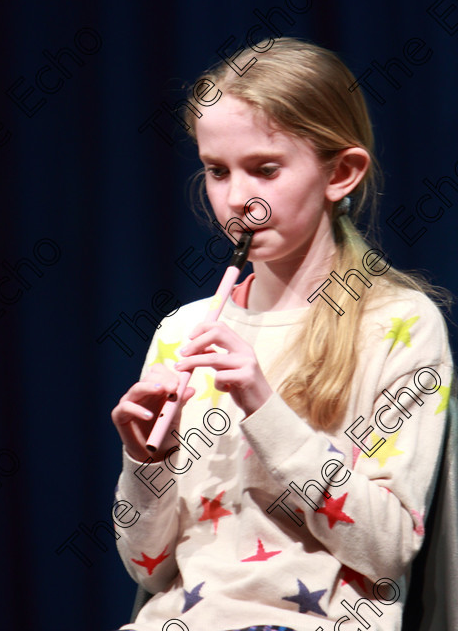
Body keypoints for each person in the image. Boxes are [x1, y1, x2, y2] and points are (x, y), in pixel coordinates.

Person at [110, 37, 454, 631]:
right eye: (217, 172)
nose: (238, 200)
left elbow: (389, 548)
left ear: (341, 173)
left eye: (265, 169)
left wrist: (263, 407)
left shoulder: (400, 325)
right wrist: (147, 461)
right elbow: (146, 566)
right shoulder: (184, 330)